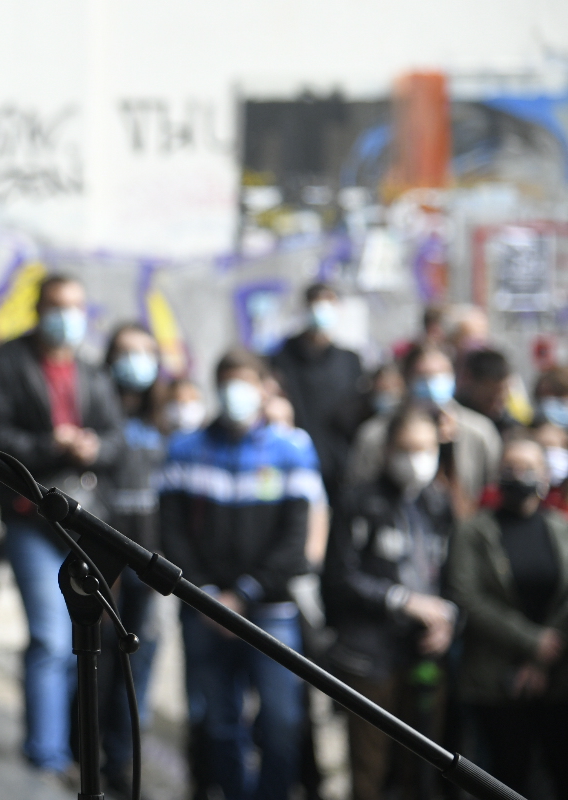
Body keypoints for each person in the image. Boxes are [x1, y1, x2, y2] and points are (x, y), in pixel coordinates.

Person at [158, 348, 323, 800]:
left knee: (281, 720)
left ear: (263, 388)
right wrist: (207, 595)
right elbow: (171, 533)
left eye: (246, 383)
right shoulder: (185, 449)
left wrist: (246, 593)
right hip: (204, 609)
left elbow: (295, 540)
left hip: (270, 610)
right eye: (228, 381)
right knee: (217, 720)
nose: (237, 393)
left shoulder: (290, 450)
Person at [0, 272, 122, 776]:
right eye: (58, 306)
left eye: (76, 306)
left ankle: (72, 749)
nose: (67, 318)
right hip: (30, 520)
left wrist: (93, 447)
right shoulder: (8, 363)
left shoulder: (90, 372)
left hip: (85, 523)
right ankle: (45, 754)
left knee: (81, 643)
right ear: (39, 310)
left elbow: (115, 438)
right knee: (50, 639)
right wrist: (51, 446)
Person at [323, 405, 457, 800]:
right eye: (406, 448)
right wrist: (401, 600)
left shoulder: (439, 504)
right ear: (387, 450)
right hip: (369, 653)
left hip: (423, 652)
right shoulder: (358, 500)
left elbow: (452, 577)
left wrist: (449, 621)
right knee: (370, 767)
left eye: (425, 449)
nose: (416, 459)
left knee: (422, 765)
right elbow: (339, 576)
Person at [446, 439, 568, 798]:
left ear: (545, 476)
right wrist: (531, 643)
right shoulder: (473, 530)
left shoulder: (560, 527)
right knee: (507, 777)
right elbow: (466, 595)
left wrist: (546, 652)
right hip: (495, 679)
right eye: (510, 468)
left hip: (558, 676)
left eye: (528, 468)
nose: (518, 476)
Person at [98, 323, 167, 798]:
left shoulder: (165, 421)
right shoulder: (97, 410)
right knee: (95, 663)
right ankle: (86, 752)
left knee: (136, 669)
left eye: (145, 352)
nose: (135, 361)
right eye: (126, 352)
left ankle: (121, 760)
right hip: (106, 563)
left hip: (152, 564)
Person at [349, 343, 501, 519]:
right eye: (424, 376)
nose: (433, 383)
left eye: (441, 375)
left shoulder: (479, 432)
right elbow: (358, 489)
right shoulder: (376, 433)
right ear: (406, 378)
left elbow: (491, 492)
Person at [269, 282, 363, 497]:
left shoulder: (350, 360)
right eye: (315, 304)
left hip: (339, 465)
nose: (321, 310)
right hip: (294, 462)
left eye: (328, 303)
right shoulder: (282, 358)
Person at [457, 347, 521, 436]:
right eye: (489, 399)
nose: (495, 407)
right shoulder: (454, 420)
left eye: (501, 400)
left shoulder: (509, 427)